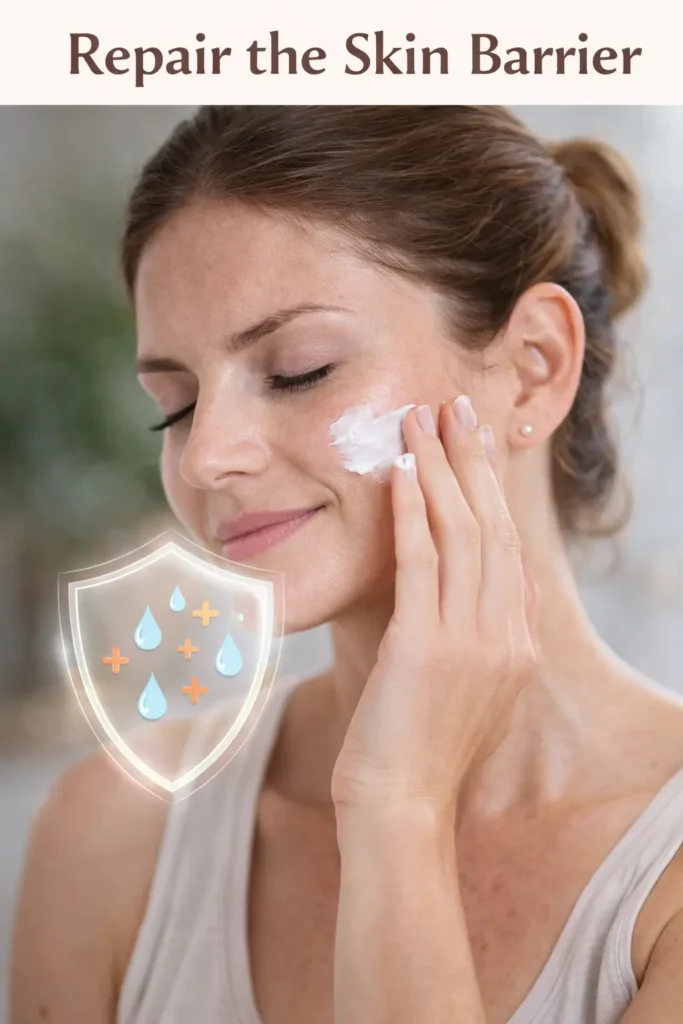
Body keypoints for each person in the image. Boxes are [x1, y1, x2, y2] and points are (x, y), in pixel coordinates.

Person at [10, 105, 683, 1024]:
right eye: (174, 405)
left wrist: (398, 810)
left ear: (531, 367)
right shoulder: (114, 835)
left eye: (299, 370)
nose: (206, 457)